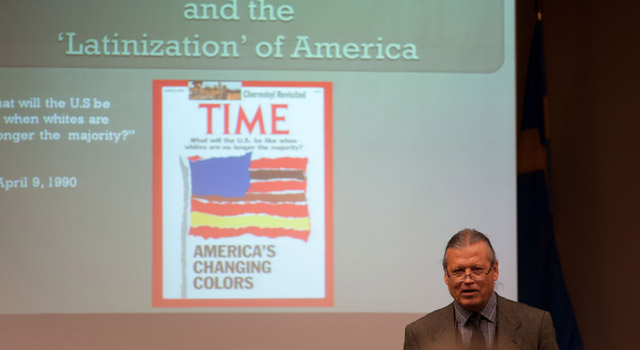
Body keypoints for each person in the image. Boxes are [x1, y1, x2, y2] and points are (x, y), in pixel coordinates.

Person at [403, 229, 559, 350]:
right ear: (446, 276)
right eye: (458, 271)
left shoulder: (536, 325)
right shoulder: (419, 334)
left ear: (495, 270)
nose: (468, 280)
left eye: (477, 269)